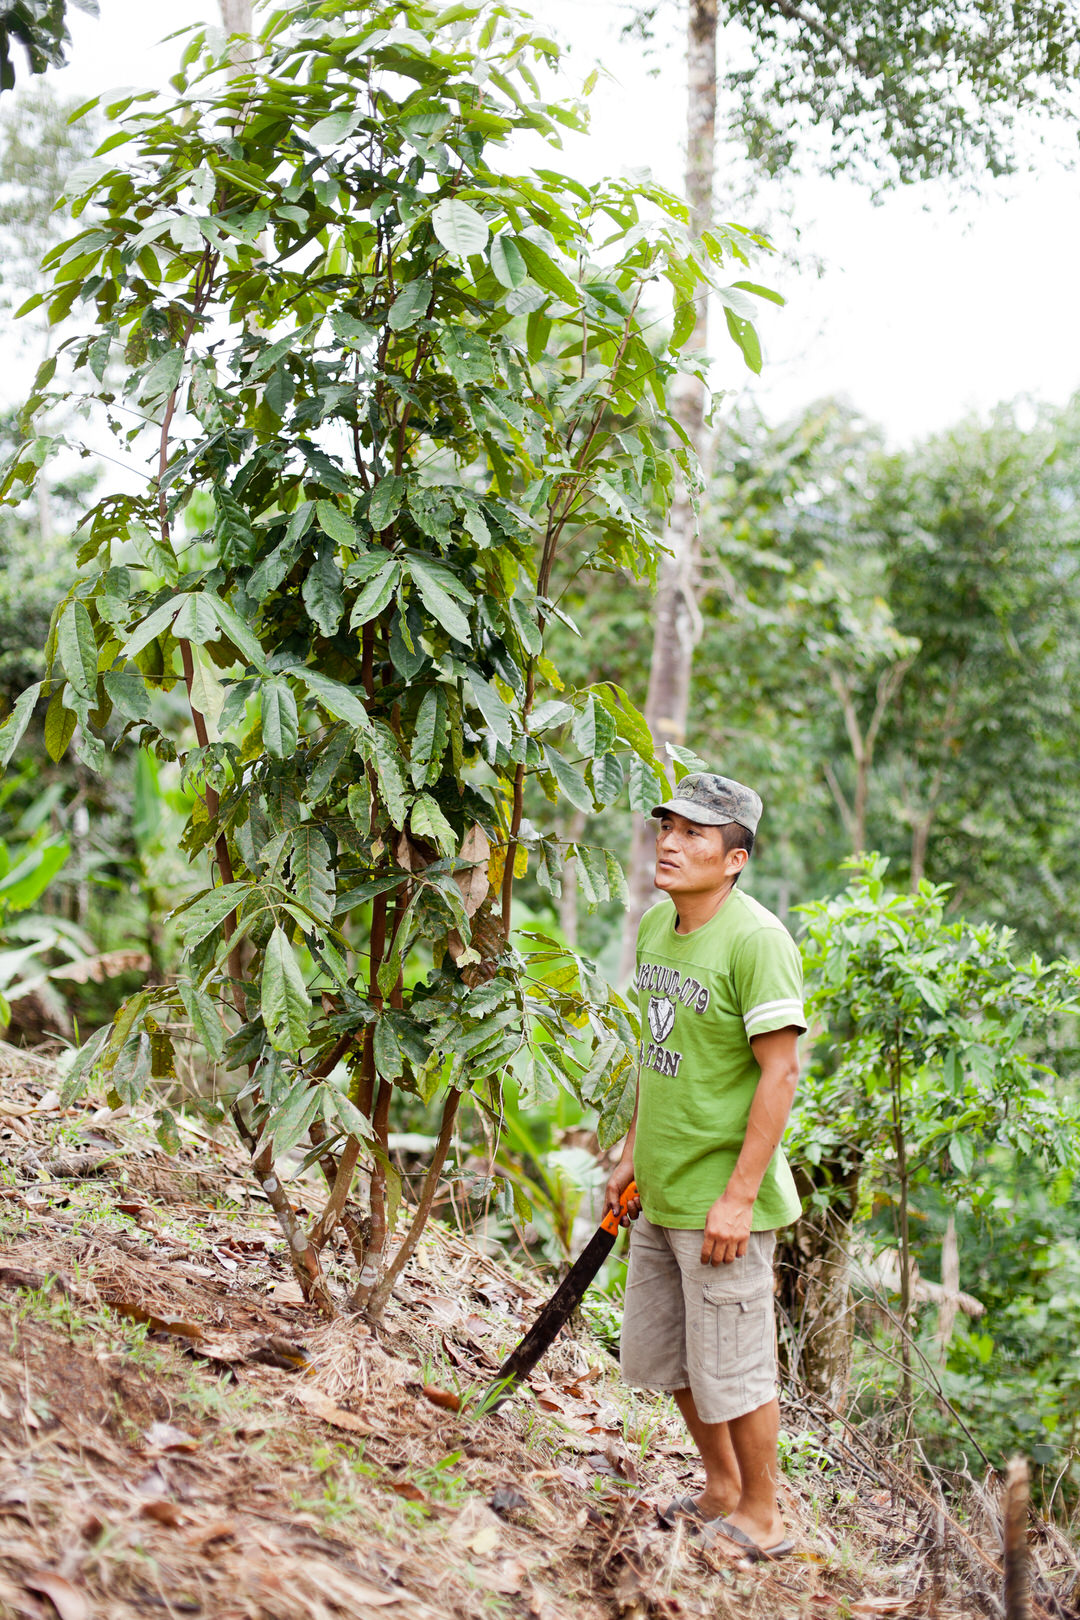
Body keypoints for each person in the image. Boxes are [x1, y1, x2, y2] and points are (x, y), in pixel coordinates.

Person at [605, 771, 804, 1562]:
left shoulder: (757, 941)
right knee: (675, 1356)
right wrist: (629, 1157)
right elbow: (660, 1054)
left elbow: (780, 1075)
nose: (671, 842)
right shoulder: (660, 927)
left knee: (738, 1366)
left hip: (725, 1200)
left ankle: (763, 1515)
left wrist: (738, 1198)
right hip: (662, 1188)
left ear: (735, 860)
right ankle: (720, 1488)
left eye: (694, 834)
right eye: (667, 827)